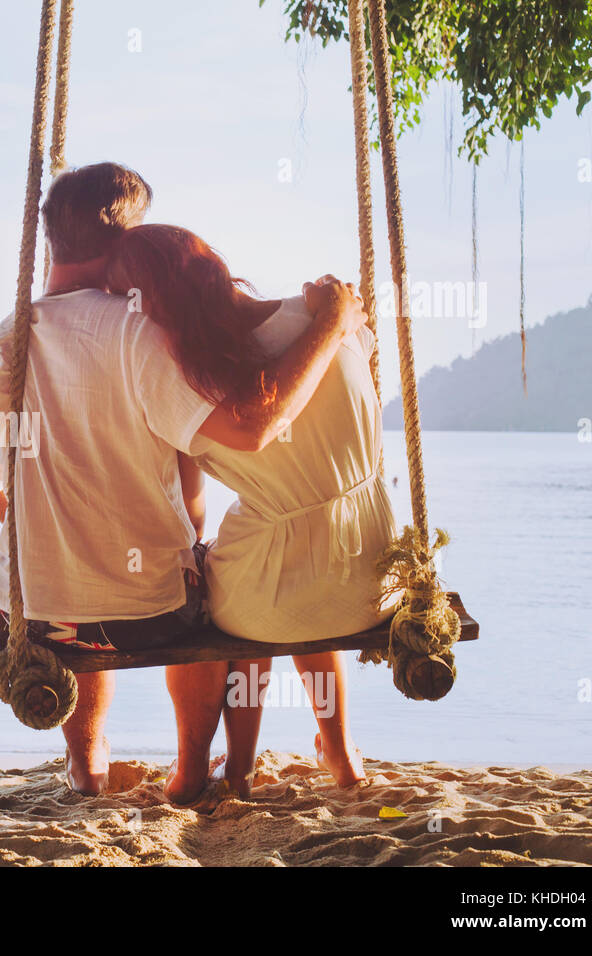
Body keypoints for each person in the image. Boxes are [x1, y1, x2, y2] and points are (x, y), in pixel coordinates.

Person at [0, 163, 368, 797]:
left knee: (82, 591)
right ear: (126, 237)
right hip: (154, 614)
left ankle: (88, 764)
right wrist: (330, 323)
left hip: (41, 616)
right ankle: (193, 768)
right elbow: (236, 436)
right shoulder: (141, 336)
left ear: (51, 240)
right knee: (200, 595)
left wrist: (61, 533)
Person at [106, 223, 399, 796]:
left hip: (276, 594)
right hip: (376, 575)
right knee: (293, 560)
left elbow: (192, 512)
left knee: (233, 584)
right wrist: (333, 318)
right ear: (215, 264)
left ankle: (236, 769)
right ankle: (339, 753)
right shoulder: (336, 319)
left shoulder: (188, 386)